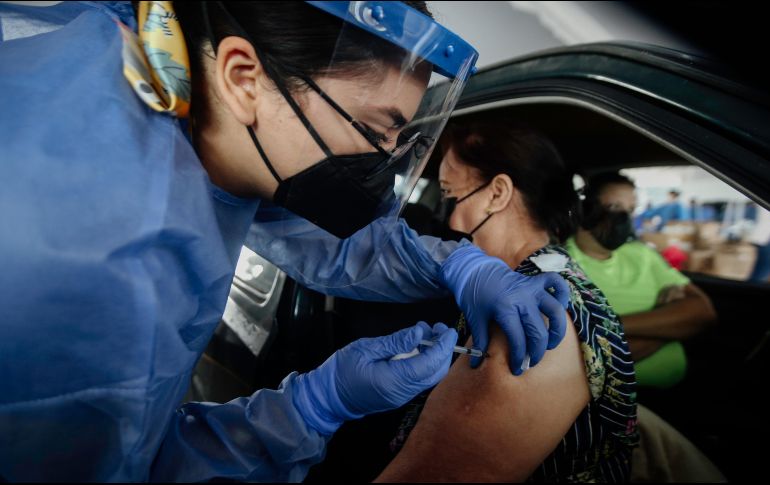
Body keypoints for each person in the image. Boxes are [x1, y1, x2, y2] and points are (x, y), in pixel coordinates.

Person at [0, 1, 571, 481]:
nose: (386, 164)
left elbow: (336, 241)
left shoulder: (168, 74)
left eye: (397, 138)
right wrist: (310, 409)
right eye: (375, 131)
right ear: (243, 76)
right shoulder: (102, 273)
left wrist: (463, 266)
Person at [377, 122, 639, 482]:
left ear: (497, 193)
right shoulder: (552, 277)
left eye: (451, 196)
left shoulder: (534, 317)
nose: (450, 220)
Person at [565, 172, 718, 390]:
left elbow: (702, 312)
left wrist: (606, 327)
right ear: (585, 209)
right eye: (615, 207)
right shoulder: (563, 265)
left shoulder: (642, 254)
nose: (624, 218)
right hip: (616, 405)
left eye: (630, 209)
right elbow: (594, 364)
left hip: (686, 391)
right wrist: (670, 322)